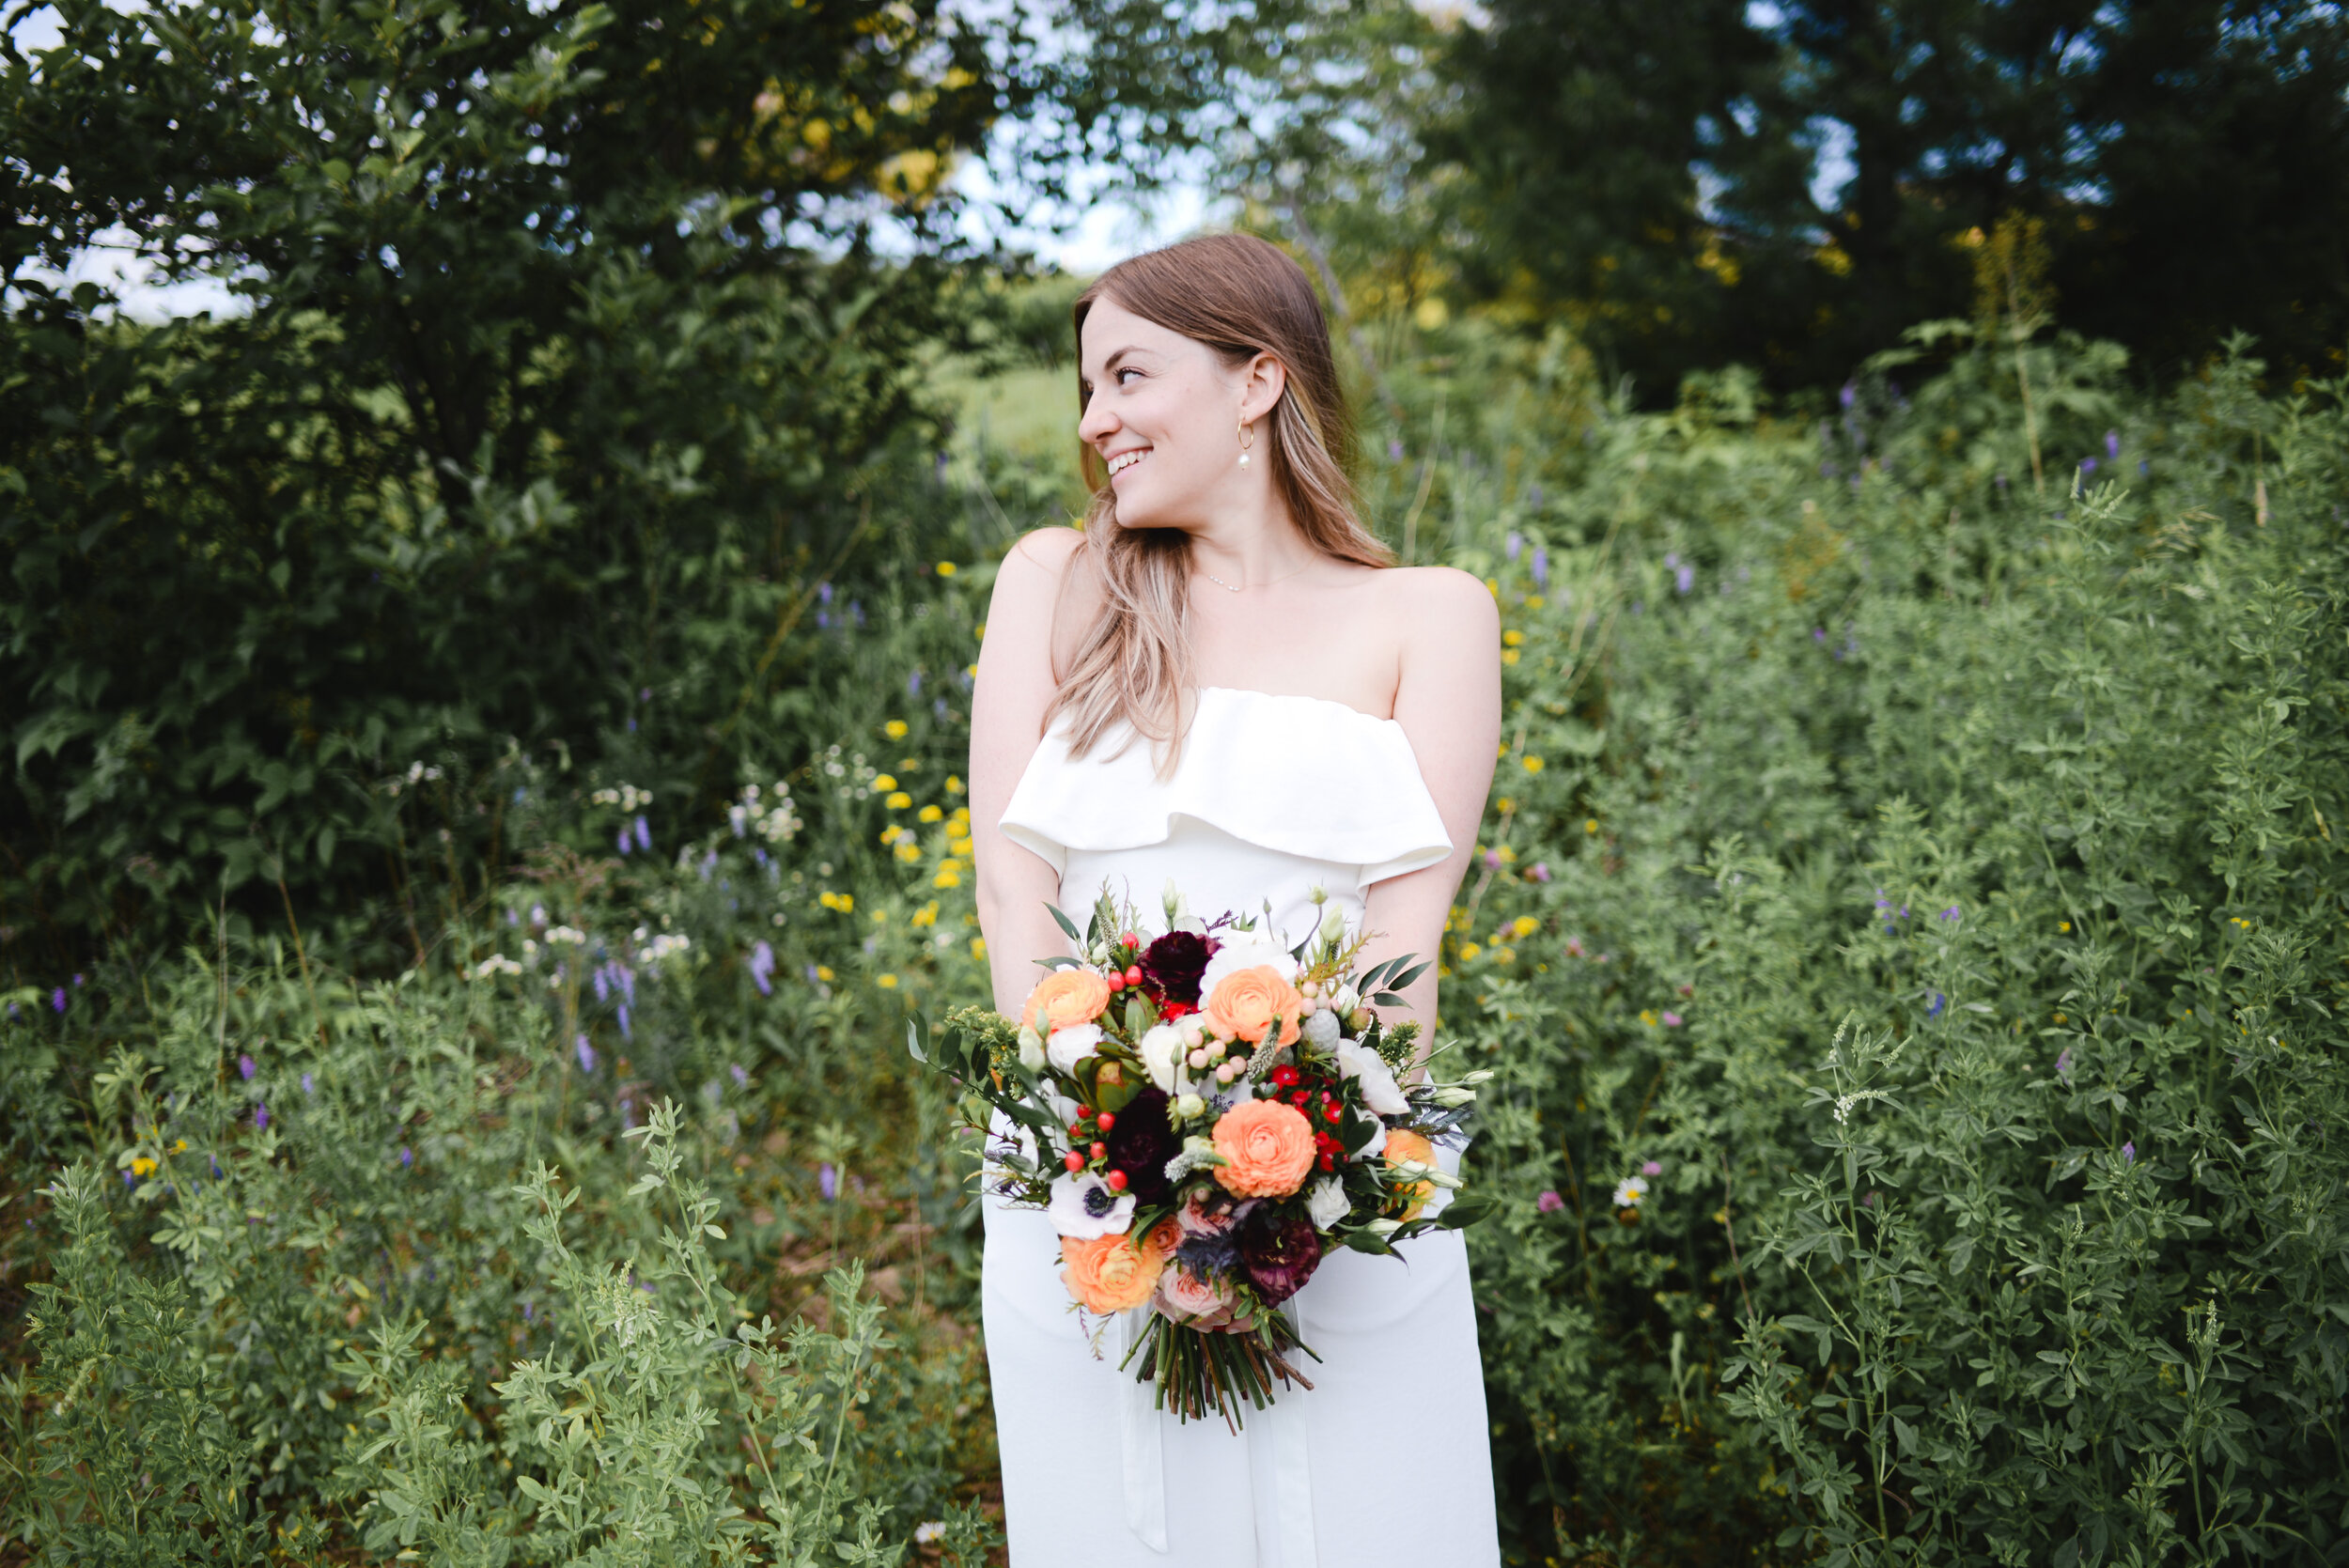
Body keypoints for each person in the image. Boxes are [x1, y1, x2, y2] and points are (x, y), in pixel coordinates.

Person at [967, 232, 1502, 1565]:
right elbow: (1010, 887)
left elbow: (1405, 940)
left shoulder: (1431, 617)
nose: (1097, 423)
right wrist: (1112, 1154)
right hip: (1087, 1188)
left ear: (1258, 379)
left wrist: (1297, 1188)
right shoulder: (1057, 585)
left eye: (1128, 377)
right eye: (1085, 392)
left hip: (1348, 1185)